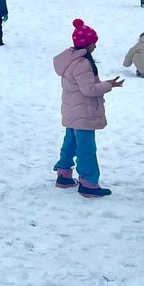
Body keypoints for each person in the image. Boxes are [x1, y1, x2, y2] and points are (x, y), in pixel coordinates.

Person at [53, 19, 122, 197]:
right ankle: (88, 183)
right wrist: (108, 85)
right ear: (86, 44)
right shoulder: (82, 63)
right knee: (86, 149)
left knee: (70, 143)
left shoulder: (70, 60)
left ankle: (63, 174)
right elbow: (89, 90)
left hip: (72, 110)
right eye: (93, 43)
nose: (95, 46)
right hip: (83, 112)